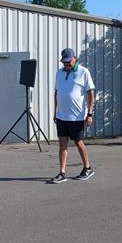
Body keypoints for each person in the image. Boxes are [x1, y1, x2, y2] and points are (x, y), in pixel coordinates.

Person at [49, 48, 96, 184]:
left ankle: (87, 168)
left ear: (74, 58)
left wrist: (90, 113)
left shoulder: (83, 72)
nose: (66, 64)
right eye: (64, 62)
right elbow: (56, 93)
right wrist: (55, 111)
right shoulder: (59, 73)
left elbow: (91, 94)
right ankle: (62, 172)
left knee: (78, 142)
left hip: (77, 116)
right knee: (62, 144)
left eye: (68, 61)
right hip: (62, 115)